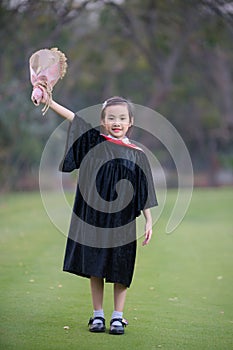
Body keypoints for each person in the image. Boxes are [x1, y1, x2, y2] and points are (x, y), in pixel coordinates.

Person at [38, 94, 158, 335]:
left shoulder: (137, 154)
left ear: (130, 122)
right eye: (111, 117)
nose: (117, 122)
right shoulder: (95, 142)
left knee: (121, 267)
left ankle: (117, 317)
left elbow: (144, 191)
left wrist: (148, 220)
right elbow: (74, 118)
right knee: (96, 266)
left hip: (122, 221)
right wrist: (49, 102)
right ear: (103, 121)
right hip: (94, 218)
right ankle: (98, 315)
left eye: (122, 118)